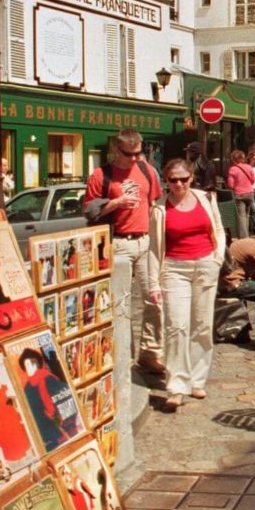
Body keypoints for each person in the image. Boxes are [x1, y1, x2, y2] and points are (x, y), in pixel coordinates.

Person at [83, 129, 164, 375]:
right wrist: (115, 204)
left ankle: (150, 353)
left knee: (153, 299)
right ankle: (123, 355)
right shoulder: (101, 175)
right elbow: (88, 211)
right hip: (117, 242)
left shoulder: (147, 171)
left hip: (144, 241)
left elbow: (156, 203)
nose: (134, 158)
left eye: (139, 153)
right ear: (117, 150)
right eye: (129, 154)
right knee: (121, 302)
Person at [147, 158, 226, 411]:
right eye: (173, 180)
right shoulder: (159, 209)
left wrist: (217, 258)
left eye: (183, 179)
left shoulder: (206, 199)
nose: (178, 184)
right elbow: (152, 250)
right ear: (166, 181)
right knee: (176, 326)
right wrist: (153, 284)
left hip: (205, 265)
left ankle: (197, 380)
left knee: (202, 326)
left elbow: (219, 230)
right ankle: (177, 385)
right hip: (174, 269)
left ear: (191, 177)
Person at [226, 150, 255, 239]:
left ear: (233, 159)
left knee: (241, 217)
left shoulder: (233, 169)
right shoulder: (249, 167)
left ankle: (244, 238)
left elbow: (230, 185)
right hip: (250, 193)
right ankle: (245, 235)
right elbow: (253, 180)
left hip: (239, 195)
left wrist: (235, 186)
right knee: (247, 215)